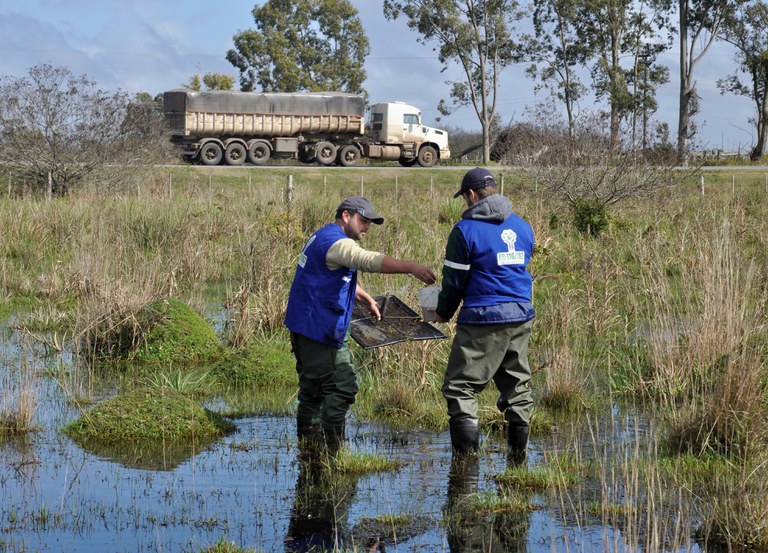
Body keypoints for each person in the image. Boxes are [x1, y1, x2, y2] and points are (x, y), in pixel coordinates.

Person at [285, 196, 436, 453]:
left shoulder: (322, 236)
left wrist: (363, 296)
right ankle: (334, 449)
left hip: (304, 326)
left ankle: (309, 449)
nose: (367, 227)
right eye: (364, 220)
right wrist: (410, 267)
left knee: (312, 391)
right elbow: (367, 260)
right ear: (346, 216)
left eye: (370, 222)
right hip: (320, 331)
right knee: (344, 385)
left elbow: (328, 273)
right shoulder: (337, 243)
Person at [434, 167, 535, 464]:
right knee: (517, 387)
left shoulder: (464, 231)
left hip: (483, 318)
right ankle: (518, 464)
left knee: (461, 387)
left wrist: (442, 312)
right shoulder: (522, 226)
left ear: (472, 194)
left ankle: (465, 469)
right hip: (520, 315)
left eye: (466, 197)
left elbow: (454, 281)